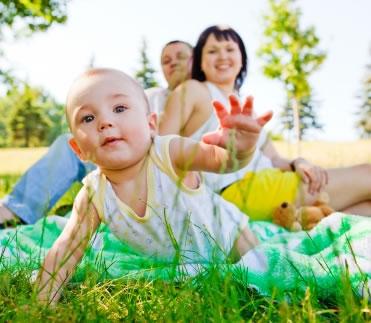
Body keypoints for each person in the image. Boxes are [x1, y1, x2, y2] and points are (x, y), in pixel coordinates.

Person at [35, 67, 272, 304]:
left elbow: (220, 160)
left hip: (231, 240)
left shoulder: (168, 152)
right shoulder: (93, 194)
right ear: (78, 149)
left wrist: (240, 149)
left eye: (119, 109)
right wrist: (43, 300)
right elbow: (67, 248)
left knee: (262, 276)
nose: (105, 122)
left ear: (151, 125)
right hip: (178, 262)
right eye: (88, 118)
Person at [160, 25, 371, 220]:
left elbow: (276, 159)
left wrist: (299, 162)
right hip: (235, 191)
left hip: (267, 183)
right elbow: (159, 148)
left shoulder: (246, 108)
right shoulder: (193, 90)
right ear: (200, 62)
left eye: (230, 49)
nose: (222, 56)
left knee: (364, 209)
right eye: (212, 51)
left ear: (242, 59)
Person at [0, 40, 193, 227]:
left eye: (180, 56)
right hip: (115, 155)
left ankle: (77, 214)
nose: (173, 62)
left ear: (195, 60)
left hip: (154, 175)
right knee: (68, 143)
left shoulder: (200, 93)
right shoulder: (150, 95)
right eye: (166, 60)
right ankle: (16, 212)